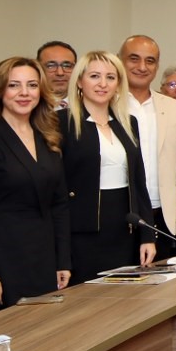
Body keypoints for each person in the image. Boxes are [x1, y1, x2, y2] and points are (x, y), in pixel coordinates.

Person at [0, 57, 70, 315]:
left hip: (42, 260)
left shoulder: (48, 138)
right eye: (14, 85)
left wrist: (62, 260)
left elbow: (59, 204)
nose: (24, 93)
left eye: (32, 85)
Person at [60, 51, 155, 282]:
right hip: (82, 233)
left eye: (110, 77)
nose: (103, 84)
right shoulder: (60, 122)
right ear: (80, 81)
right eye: (94, 76)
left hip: (124, 228)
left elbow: (139, 183)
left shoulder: (128, 122)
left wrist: (147, 235)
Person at [121, 35, 176, 254]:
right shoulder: (109, 104)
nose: (142, 67)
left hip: (163, 213)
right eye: (134, 59)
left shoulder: (173, 108)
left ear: (157, 66)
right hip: (121, 214)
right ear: (120, 61)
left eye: (150, 61)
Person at [36, 40, 78, 109]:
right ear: (38, 69)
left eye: (67, 66)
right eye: (51, 66)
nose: (60, 73)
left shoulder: (89, 105)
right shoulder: (28, 106)